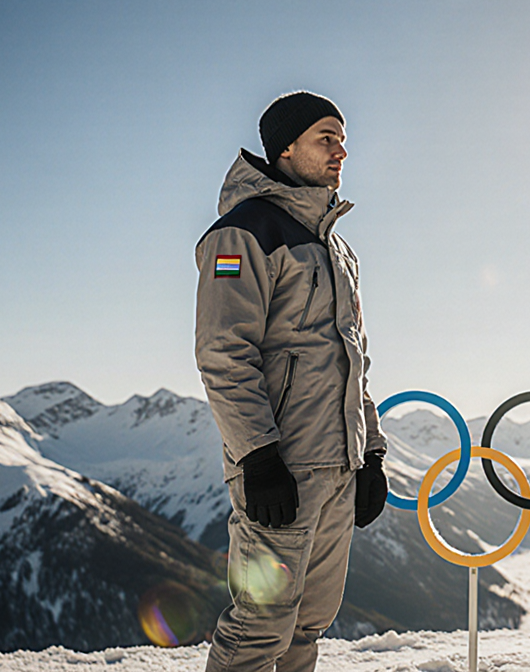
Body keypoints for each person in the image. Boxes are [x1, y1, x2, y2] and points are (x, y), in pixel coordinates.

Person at [194, 90, 390, 672]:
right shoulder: (243, 233)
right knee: (261, 627)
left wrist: (370, 453)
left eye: (343, 139)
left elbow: (354, 361)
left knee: (307, 623)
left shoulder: (336, 247)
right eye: (325, 137)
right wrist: (258, 455)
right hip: (281, 467)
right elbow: (223, 352)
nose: (341, 151)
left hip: (337, 469)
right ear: (285, 148)